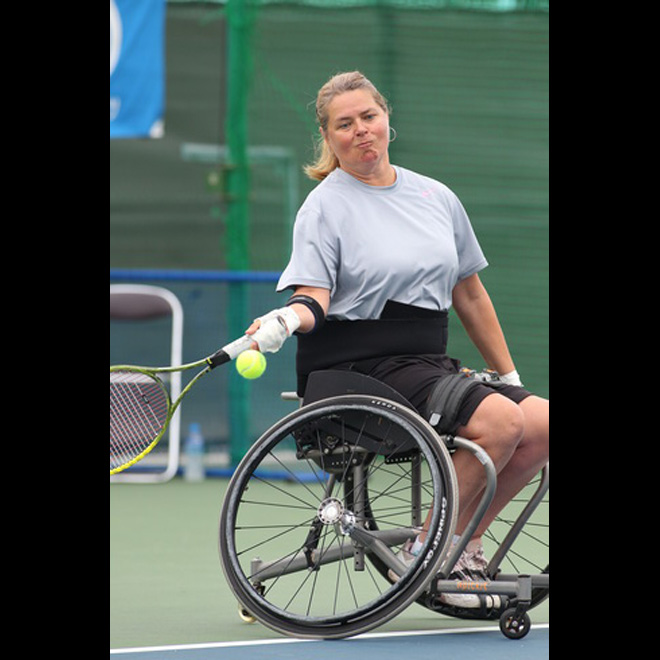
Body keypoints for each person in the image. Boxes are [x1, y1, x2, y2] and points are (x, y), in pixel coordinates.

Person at [245, 71, 549, 609]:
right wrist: (284, 322)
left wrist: (510, 379)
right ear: (329, 137)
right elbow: (313, 296)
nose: (360, 130)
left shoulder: (436, 196)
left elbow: (471, 295)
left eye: (369, 117)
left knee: (540, 423)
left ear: (388, 121)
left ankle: (465, 542)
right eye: (345, 124)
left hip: (427, 360)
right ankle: (430, 547)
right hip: (357, 366)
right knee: (502, 423)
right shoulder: (324, 207)